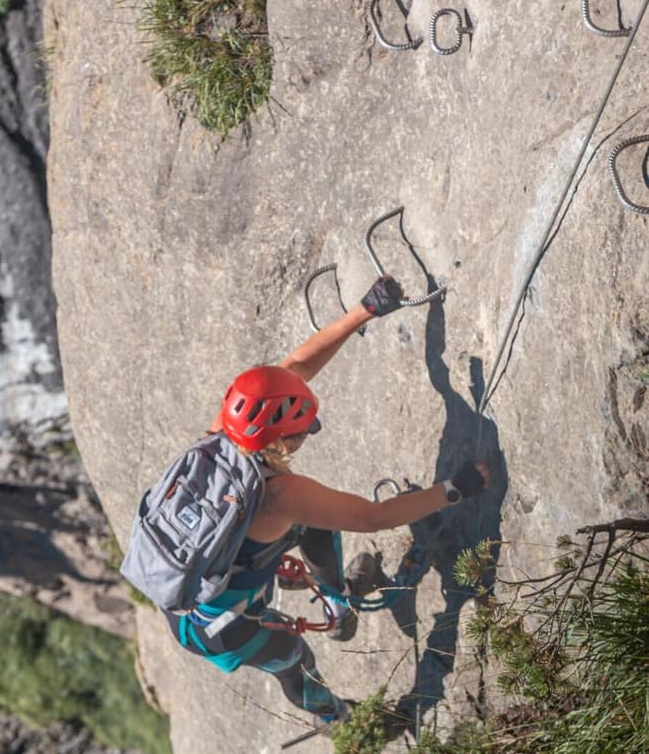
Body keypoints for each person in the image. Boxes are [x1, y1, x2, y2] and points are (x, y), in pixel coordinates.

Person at [162, 276, 490, 728]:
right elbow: (373, 518)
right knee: (294, 659)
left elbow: (296, 365)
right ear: (285, 439)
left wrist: (364, 311)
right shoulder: (279, 494)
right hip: (219, 628)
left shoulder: (227, 430)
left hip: (193, 586)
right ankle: (346, 724)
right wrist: (454, 489)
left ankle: (339, 605)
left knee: (314, 526)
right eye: (305, 429)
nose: (308, 434)